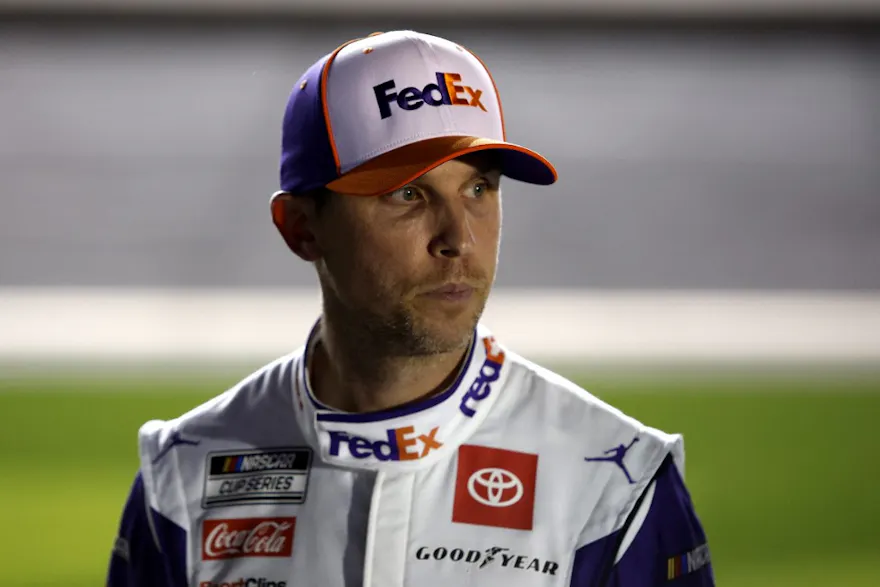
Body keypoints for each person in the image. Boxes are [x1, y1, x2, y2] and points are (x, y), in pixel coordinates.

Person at [107, 30, 714, 587]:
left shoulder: (616, 485)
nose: (459, 238)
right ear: (301, 229)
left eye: (479, 189)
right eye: (407, 193)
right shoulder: (181, 479)